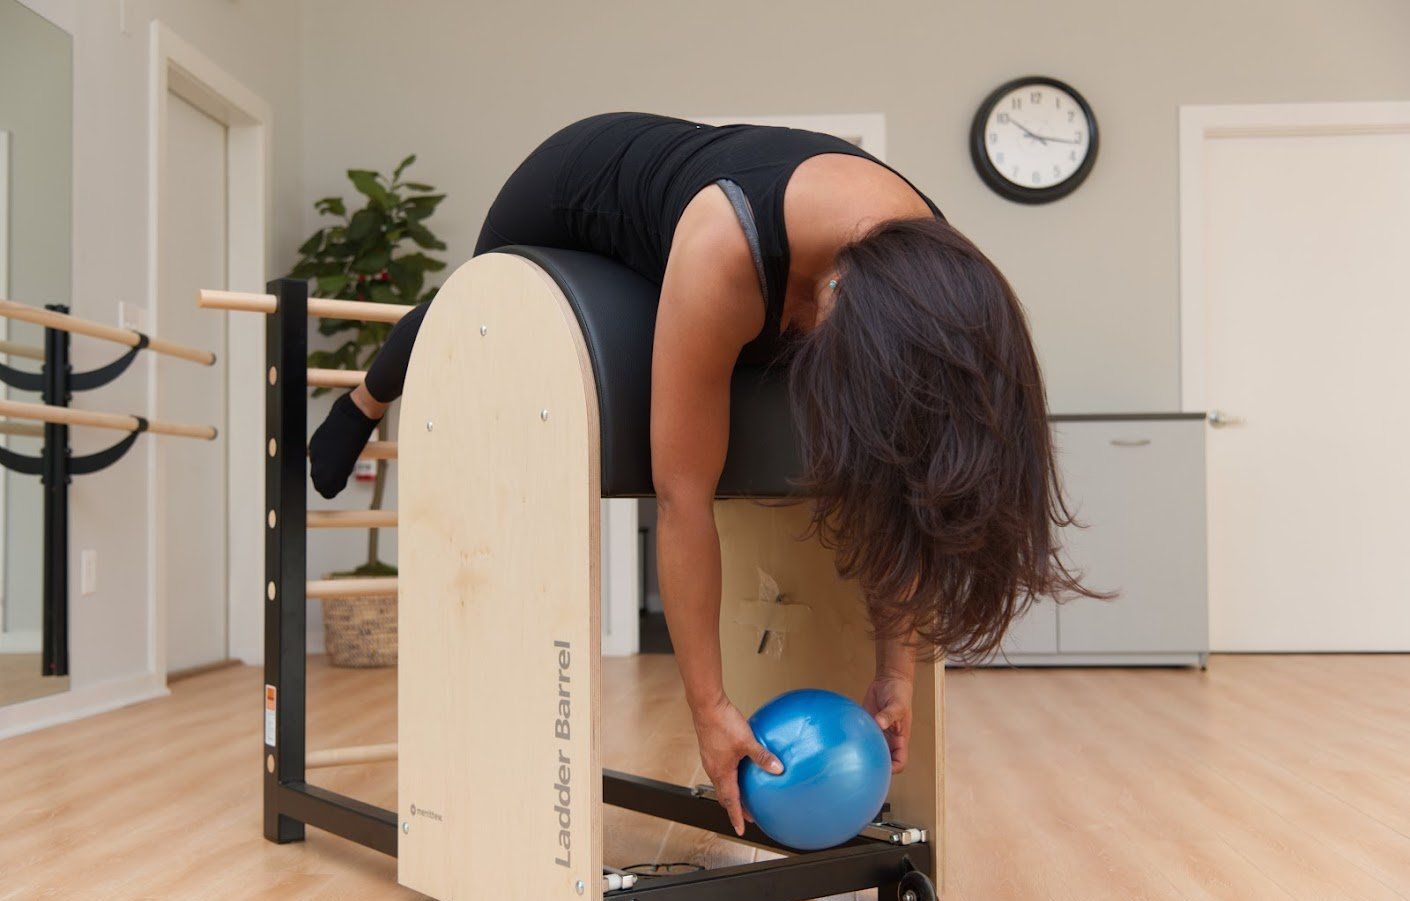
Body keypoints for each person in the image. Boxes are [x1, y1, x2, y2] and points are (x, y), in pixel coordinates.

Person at [309, 112, 1092, 836]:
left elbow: (897, 484)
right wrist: (709, 704)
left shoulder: (935, 281)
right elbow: (683, 500)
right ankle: (370, 391)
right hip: (571, 195)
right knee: (480, 306)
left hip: (734, 248)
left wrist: (897, 673)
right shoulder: (727, 246)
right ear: (835, 291)